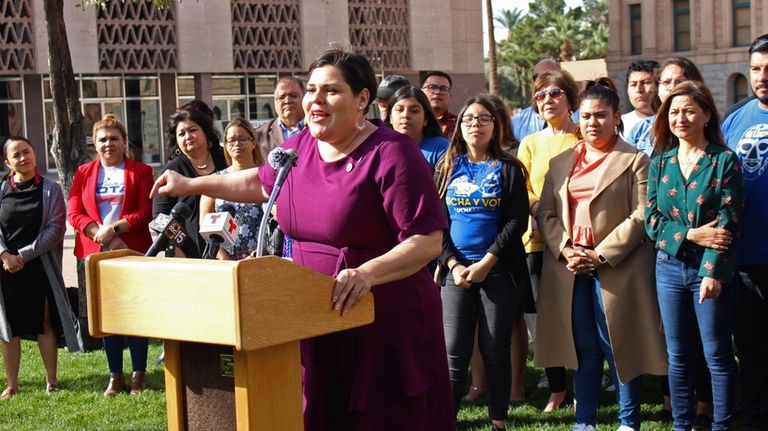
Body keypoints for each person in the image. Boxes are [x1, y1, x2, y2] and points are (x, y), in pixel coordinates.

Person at [151, 45, 455, 430]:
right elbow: (257, 182)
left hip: (384, 323)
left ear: (363, 99)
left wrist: (368, 273)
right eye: (311, 89)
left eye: (330, 90)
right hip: (313, 319)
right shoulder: (299, 148)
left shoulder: (393, 153)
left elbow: (426, 240)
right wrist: (191, 184)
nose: (315, 99)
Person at [535, 78, 667, 431]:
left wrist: (600, 254)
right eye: (587, 116)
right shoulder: (562, 161)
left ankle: (628, 420)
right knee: (583, 349)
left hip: (617, 268)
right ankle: (585, 420)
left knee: (619, 345)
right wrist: (565, 248)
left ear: (616, 116)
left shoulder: (636, 160)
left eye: (601, 116)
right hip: (569, 268)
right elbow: (545, 212)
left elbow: (642, 214)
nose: (593, 123)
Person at [645, 81, 744, 431]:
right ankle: (681, 425)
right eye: (673, 112)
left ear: (705, 115)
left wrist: (712, 273)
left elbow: (728, 224)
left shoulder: (723, 161)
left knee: (716, 354)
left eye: (688, 110)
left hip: (709, 269)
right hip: (668, 270)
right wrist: (688, 233)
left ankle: (722, 425)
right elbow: (652, 221)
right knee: (679, 356)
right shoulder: (659, 162)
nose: (680, 118)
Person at [436, 95, 529, 431]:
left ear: (496, 125)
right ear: (460, 127)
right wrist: (452, 265)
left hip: (497, 272)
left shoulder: (510, 169)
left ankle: (498, 422)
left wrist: (488, 261)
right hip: (455, 273)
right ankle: (446, 422)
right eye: (470, 119)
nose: (476, 125)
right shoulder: (447, 168)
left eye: (484, 119)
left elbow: (518, 221)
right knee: (453, 355)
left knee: (495, 350)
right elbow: (435, 224)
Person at [67, 114, 155, 396]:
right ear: (95, 143)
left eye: (114, 138)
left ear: (124, 141)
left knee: (134, 313)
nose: (109, 144)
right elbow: (74, 212)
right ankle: (115, 375)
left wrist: (115, 230)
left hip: (130, 251)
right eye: (102, 139)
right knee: (108, 317)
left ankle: (139, 373)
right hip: (97, 254)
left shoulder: (140, 171)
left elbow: (144, 212)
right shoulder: (83, 173)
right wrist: (99, 234)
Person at [517, 69, 581, 412]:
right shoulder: (530, 143)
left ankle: (587, 378)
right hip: (539, 242)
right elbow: (523, 188)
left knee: (580, 314)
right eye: (540, 96)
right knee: (547, 318)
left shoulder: (585, 135)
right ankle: (557, 389)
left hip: (581, 243)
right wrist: (538, 206)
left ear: (570, 98)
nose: (547, 101)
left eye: (555, 93)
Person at [0, 137, 79, 400]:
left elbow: (56, 229)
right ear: (7, 162)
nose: (23, 158)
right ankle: (12, 384)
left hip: (39, 267)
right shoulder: (1, 190)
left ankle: (52, 381)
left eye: (27, 152)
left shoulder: (50, 189)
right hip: (5, 268)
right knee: (7, 328)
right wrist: (5, 255)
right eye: (16, 155)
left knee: (44, 324)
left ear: (35, 154)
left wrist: (21, 255)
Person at [720, 33, 768, 431]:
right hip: (744, 256)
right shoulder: (734, 118)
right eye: (756, 68)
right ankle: (754, 417)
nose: (762, 76)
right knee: (749, 347)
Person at [152, 104, 228, 257]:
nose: (188, 136)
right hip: (191, 256)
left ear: (206, 133)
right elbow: (159, 219)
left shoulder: (225, 158)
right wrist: (178, 253)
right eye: (181, 134)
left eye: (193, 130)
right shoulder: (172, 171)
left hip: (233, 251)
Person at [199, 119, 265, 260]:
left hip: (260, 259)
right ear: (226, 146)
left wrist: (255, 256)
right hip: (224, 262)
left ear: (253, 142)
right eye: (231, 140)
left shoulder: (266, 176)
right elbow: (205, 225)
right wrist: (224, 258)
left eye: (242, 138)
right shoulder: (215, 180)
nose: (237, 143)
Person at [626, 57, 704, 156]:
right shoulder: (641, 130)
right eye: (666, 82)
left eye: (679, 82)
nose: (672, 88)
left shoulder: (706, 124)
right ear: (658, 89)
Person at [385, 85, 447, 170]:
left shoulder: (441, 148)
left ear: (426, 119)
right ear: (390, 117)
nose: (405, 115)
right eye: (399, 110)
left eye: (414, 111)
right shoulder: (380, 148)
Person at [253, 76, 307, 159]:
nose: (288, 101)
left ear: (304, 97)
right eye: (282, 97)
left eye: (294, 96)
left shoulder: (318, 129)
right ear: (275, 101)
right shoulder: (259, 136)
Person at [511, 59, 561, 140]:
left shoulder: (581, 120)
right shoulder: (515, 123)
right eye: (537, 77)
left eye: (551, 76)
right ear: (532, 82)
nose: (543, 81)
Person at [622, 60, 660, 139]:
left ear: (659, 86)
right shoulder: (618, 124)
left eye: (646, 83)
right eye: (633, 84)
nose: (639, 89)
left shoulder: (673, 121)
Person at [421, 71, 458, 137]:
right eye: (432, 87)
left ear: (450, 97)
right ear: (421, 93)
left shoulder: (459, 124)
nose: (437, 92)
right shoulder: (412, 121)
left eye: (443, 89)